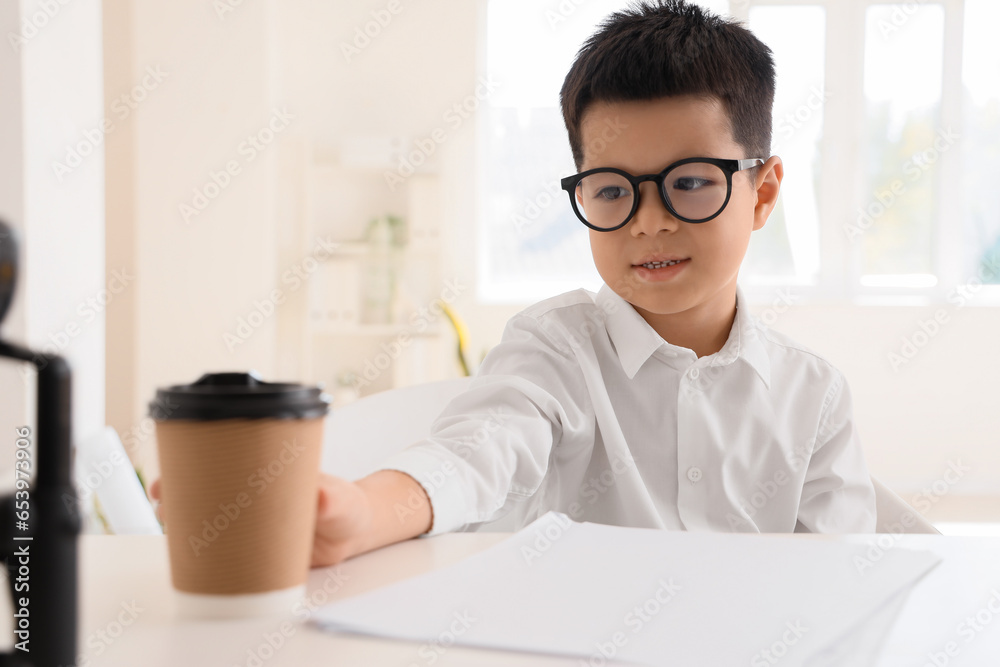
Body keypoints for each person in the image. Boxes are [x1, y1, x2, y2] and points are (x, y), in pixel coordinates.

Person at [154, 0, 877, 567]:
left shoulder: (813, 395)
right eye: (612, 190)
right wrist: (359, 513)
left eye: (689, 182)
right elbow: (476, 454)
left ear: (763, 189)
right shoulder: (556, 350)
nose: (648, 222)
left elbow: (842, 581)